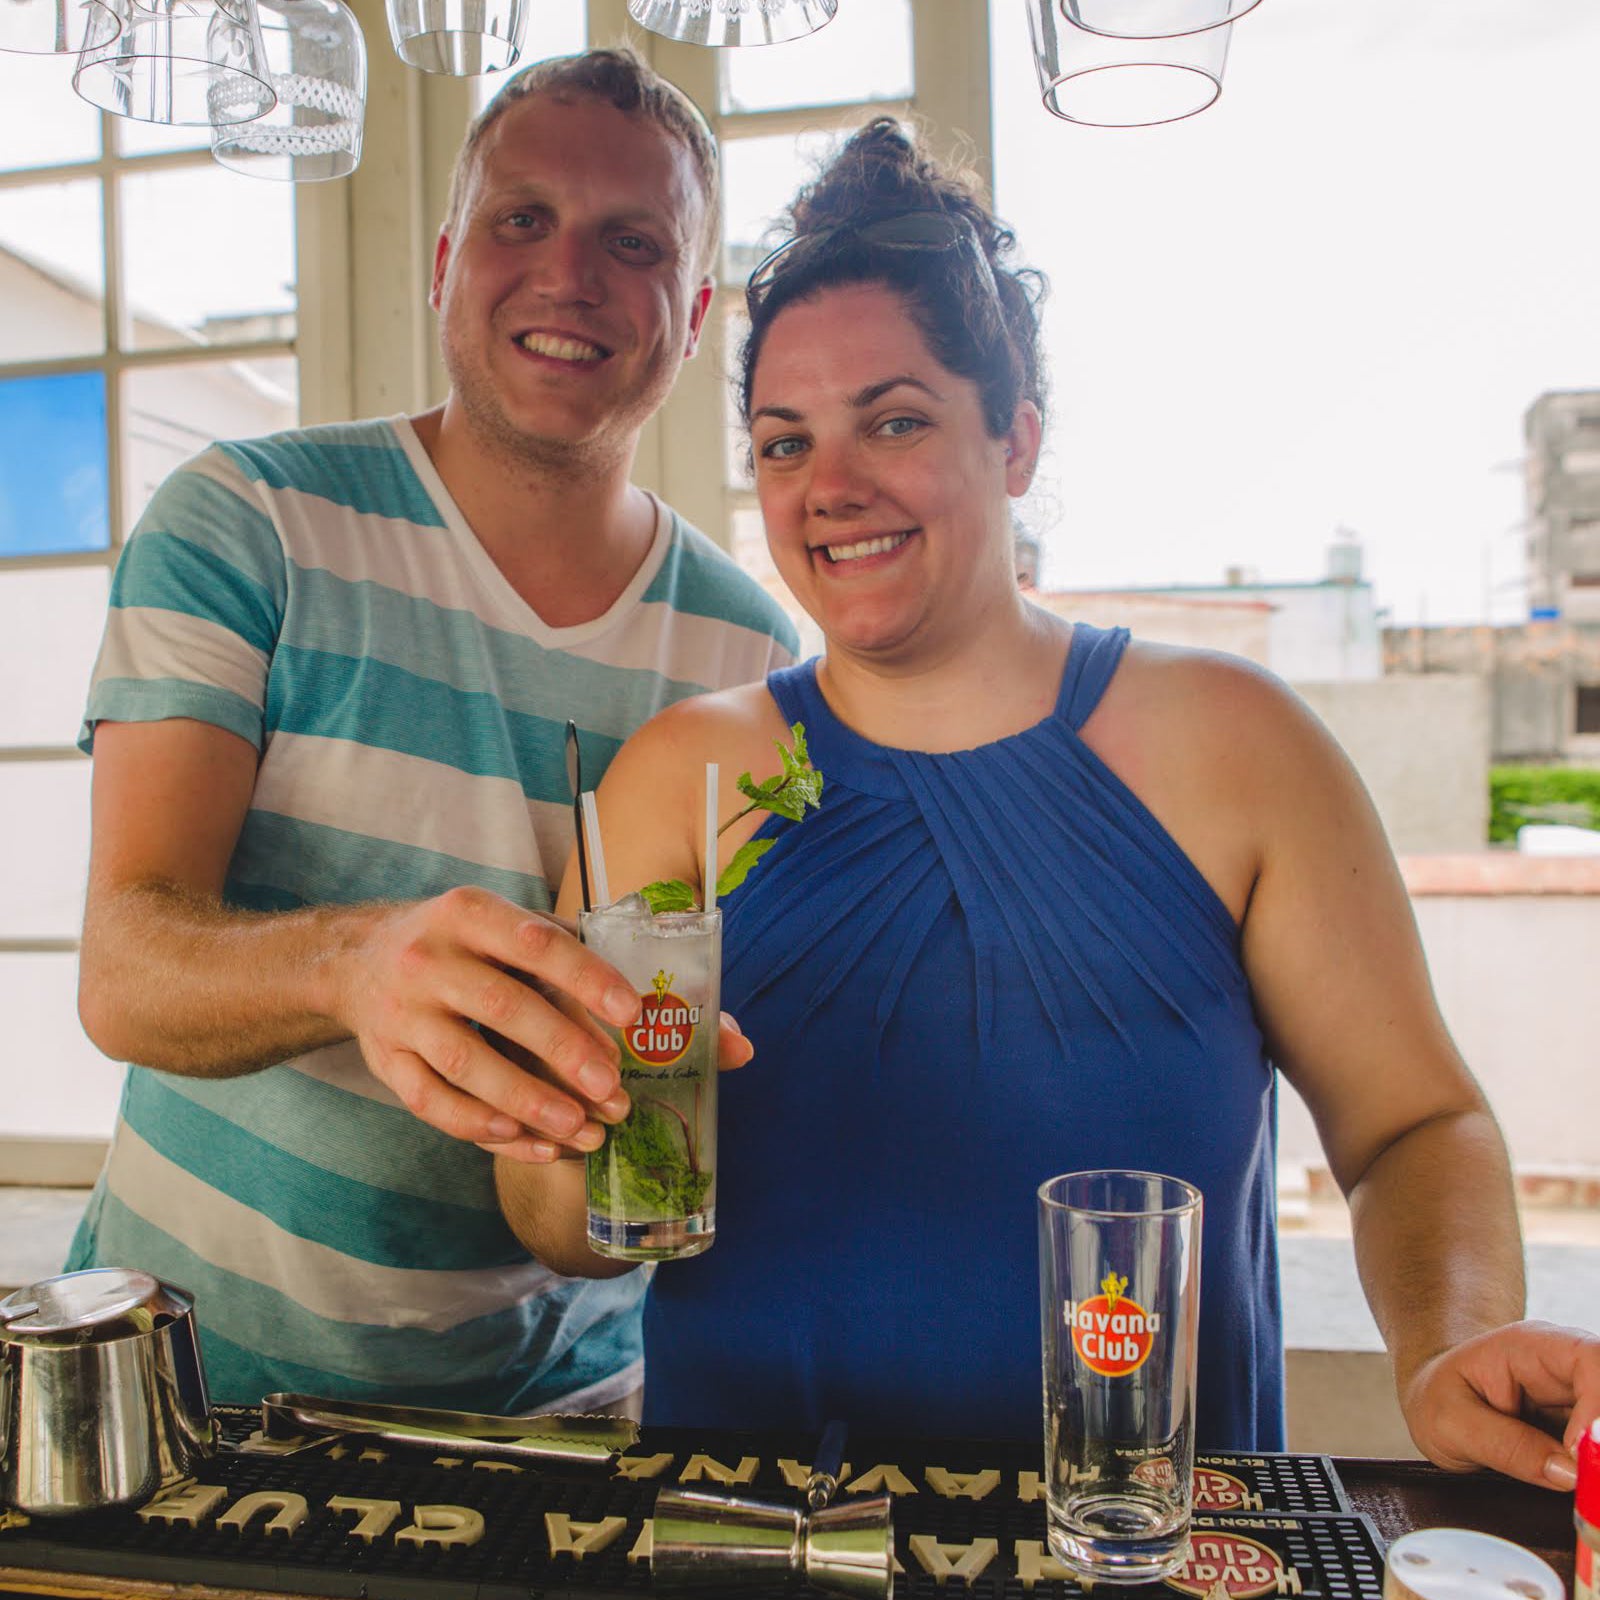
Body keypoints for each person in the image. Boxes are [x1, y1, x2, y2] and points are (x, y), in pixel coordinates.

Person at [496, 117, 1600, 1486]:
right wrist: (565, 1125)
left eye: (895, 421)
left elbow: (1412, 1124)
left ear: (1017, 437)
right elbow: (559, 1219)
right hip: (755, 1540)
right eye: (785, 446)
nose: (831, 489)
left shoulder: (1234, 744)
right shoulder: (676, 781)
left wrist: (1450, 1343)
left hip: (1153, 1546)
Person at [67, 50, 798, 1417]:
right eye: (522, 220)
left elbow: (685, 1086)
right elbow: (122, 967)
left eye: (631, 242)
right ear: (447, 258)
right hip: (193, 1399)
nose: (568, 275)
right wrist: (357, 964)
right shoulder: (247, 518)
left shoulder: (752, 654)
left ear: (694, 312)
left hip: (568, 1423)